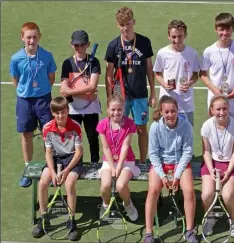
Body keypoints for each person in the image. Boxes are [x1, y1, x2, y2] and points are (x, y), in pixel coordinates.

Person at [104, 6, 157, 164]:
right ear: (117, 25)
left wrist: (153, 92)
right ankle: (120, 159)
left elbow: (149, 68)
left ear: (133, 22)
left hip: (140, 94)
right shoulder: (113, 45)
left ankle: (142, 161)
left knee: (141, 129)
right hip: (121, 96)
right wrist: (110, 98)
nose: (125, 28)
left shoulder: (144, 42)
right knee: (118, 128)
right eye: (122, 25)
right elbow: (108, 74)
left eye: (128, 23)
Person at [144, 95, 197, 243]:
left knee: (189, 191)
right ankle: (148, 233)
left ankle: (190, 230)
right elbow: (153, 154)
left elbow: (188, 152)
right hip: (160, 163)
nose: (170, 115)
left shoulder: (186, 126)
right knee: (153, 190)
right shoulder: (155, 127)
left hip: (180, 163)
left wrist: (177, 175)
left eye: (173, 111)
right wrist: (162, 175)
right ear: (161, 112)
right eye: (166, 112)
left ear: (177, 111)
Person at [9, 22, 57, 187]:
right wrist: (25, 91)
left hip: (43, 99)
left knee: (48, 135)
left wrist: (43, 90)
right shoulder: (16, 58)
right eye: (28, 37)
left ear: (39, 37)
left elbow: (52, 76)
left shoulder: (47, 56)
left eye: (34, 37)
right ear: (22, 38)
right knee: (26, 134)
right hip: (24, 101)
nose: (31, 40)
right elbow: (15, 78)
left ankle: (50, 170)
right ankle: (28, 168)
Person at [31, 97, 82, 241]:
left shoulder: (76, 126)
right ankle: (43, 218)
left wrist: (66, 171)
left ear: (68, 111)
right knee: (42, 184)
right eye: (57, 113)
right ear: (52, 113)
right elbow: (48, 152)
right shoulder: (47, 128)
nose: (61, 116)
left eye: (63, 112)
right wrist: (53, 172)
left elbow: (79, 152)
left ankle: (72, 222)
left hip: (73, 159)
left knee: (69, 183)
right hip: (55, 159)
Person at [200, 95, 234, 238]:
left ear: (229, 109)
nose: (221, 112)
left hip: (231, 164)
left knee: (227, 195)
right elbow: (206, 152)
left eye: (224, 109)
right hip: (211, 164)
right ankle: (210, 218)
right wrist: (211, 168)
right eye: (218, 109)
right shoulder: (207, 126)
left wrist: (228, 171)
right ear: (212, 110)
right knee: (206, 195)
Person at [200, 13, 234, 123]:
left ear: (233, 29)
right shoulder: (209, 51)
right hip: (215, 101)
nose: (225, 33)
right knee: (215, 133)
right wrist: (215, 90)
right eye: (221, 29)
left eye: (228, 29)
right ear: (216, 29)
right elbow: (202, 74)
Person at [60, 30, 101, 163]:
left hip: (91, 109)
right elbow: (63, 88)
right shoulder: (67, 63)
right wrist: (87, 94)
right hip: (73, 108)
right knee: (74, 137)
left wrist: (72, 92)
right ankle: (77, 163)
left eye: (82, 45)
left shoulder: (94, 62)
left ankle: (95, 163)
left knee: (92, 137)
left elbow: (92, 87)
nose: (79, 48)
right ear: (72, 45)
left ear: (88, 44)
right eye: (76, 45)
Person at [96, 95, 140, 221]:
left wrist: (119, 167)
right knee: (105, 185)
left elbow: (126, 147)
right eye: (113, 110)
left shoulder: (130, 124)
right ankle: (105, 204)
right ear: (108, 110)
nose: (116, 113)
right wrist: (112, 167)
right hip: (109, 161)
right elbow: (106, 148)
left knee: (120, 186)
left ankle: (127, 204)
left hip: (126, 161)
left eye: (119, 109)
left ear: (123, 109)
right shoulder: (102, 125)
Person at [153, 19, 200, 126]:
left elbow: (195, 74)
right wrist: (164, 84)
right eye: (174, 37)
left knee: (187, 133)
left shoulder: (192, 53)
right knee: (166, 133)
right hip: (167, 101)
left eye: (180, 36)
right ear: (169, 36)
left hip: (186, 103)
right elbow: (157, 73)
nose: (177, 40)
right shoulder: (162, 53)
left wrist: (190, 83)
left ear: (185, 35)